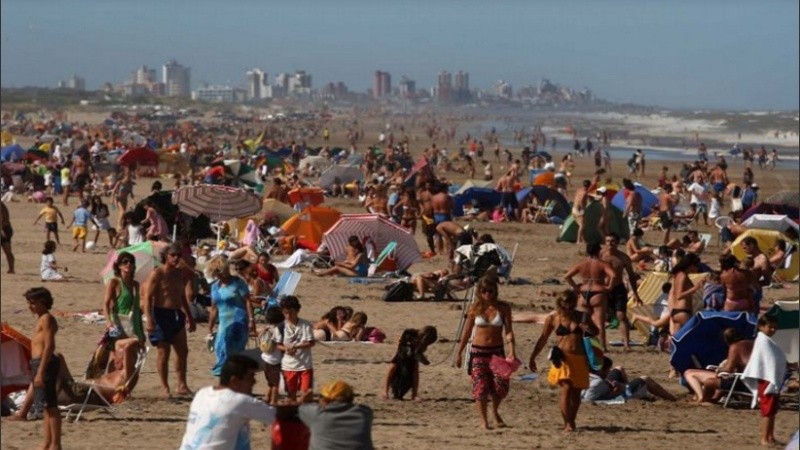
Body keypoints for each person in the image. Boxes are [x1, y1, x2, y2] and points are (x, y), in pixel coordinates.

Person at [528, 290, 599, 432]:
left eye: (571, 307)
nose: (568, 310)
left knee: (576, 393)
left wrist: (587, 328)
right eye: (564, 307)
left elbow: (596, 332)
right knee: (566, 389)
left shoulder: (582, 316)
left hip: (579, 357)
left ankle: (572, 420)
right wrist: (533, 357)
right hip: (562, 358)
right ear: (559, 305)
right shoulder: (553, 318)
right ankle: (567, 423)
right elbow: (543, 338)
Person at [455, 276, 516, 430]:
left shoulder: (503, 308)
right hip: (478, 352)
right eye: (484, 291)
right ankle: (484, 421)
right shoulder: (475, 309)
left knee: (501, 386)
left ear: (495, 291)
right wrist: (459, 352)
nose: (487, 294)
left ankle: (494, 411)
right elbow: (467, 332)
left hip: (497, 351)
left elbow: (508, 331)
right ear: (479, 292)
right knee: (480, 387)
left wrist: (512, 351)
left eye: (490, 291)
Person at [179, 354, 276, 450]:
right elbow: (276, 416)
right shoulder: (239, 401)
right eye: (250, 377)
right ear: (234, 381)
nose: (254, 382)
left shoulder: (202, 393)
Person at [143, 243, 197, 398]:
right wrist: (149, 319)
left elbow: (182, 296)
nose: (176, 258)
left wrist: (190, 316)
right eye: (173, 255)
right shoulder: (158, 273)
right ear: (166, 256)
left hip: (176, 314)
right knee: (163, 352)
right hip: (161, 314)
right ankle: (164, 386)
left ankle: (182, 385)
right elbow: (148, 297)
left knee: (182, 351)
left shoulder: (179, 273)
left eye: (178, 255)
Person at [26, 287, 62, 449]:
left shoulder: (47, 318)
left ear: (43, 302)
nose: (30, 306)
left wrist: (40, 371)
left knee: (51, 407)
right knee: (46, 407)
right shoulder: (41, 318)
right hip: (38, 362)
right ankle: (47, 443)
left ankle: (56, 444)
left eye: (33, 303)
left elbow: (49, 346)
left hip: (44, 363)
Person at [742, 314, 785, 446]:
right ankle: (764, 438)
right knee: (767, 410)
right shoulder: (762, 341)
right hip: (766, 379)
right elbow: (768, 361)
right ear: (761, 327)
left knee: (772, 410)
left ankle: (770, 436)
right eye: (770, 327)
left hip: (771, 379)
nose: (773, 330)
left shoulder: (768, 341)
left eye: (775, 327)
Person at [564, 242, 616, 350]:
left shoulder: (582, 263)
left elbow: (567, 276)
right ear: (599, 251)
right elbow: (613, 275)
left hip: (584, 293)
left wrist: (576, 288)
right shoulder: (602, 264)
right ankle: (603, 347)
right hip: (598, 292)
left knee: (584, 322)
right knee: (600, 323)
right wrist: (609, 287)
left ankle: (584, 345)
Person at [208, 258, 254, 377]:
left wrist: (251, 320)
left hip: (238, 321)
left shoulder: (238, 283)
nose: (216, 275)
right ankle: (227, 373)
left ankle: (232, 374)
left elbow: (248, 301)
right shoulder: (215, 287)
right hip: (223, 322)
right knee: (220, 347)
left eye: (217, 271)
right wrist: (210, 326)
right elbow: (214, 308)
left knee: (232, 348)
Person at [683, 327, 753, 403]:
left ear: (726, 340)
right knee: (692, 373)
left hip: (742, 381)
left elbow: (728, 369)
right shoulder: (751, 343)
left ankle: (703, 400)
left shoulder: (735, 346)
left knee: (708, 382)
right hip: (752, 379)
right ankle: (706, 399)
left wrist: (719, 369)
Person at [298, 380, 374, 450]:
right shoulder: (364, 413)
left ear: (323, 399)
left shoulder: (316, 414)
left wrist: (305, 399)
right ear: (351, 398)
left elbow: (301, 406)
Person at [601, 233, 642, 350]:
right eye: (607, 241)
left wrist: (635, 293)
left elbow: (631, 276)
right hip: (603, 289)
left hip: (618, 288)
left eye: (612, 241)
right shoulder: (601, 255)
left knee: (621, 316)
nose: (610, 244)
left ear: (618, 243)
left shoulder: (623, 258)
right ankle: (602, 345)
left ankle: (626, 345)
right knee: (601, 317)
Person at [274, 295, 315, 404]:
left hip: (305, 365)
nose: (288, 316)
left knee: (306, 393)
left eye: (291, 312)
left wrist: (296, 346)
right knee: (290, 395)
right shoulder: (281, 327)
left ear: (297, 311)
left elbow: (311, 342)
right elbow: (277, 344)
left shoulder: (305, 325)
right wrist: (286, 349)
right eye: (285, 313)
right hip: (288, 365)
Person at [583, 357, 676, 402]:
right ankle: (671, 399)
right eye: (607, 370)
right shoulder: (597, 383)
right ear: (601, 371)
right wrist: (616, 392)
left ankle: (632, 392)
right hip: (613, 394)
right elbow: (589, 400)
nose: (609, 371)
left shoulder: (588, 375)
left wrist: (608, 381)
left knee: (619, 368)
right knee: (645, 379)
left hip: (606, 387)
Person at [383, 327, 437, 401]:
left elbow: (419, 354)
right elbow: (401, 344)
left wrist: (423, 358)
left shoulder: (423, 344)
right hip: (401, 355)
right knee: (393, 366)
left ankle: (414, 395)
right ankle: (385, 391)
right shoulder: (409, 333)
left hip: (412, 359)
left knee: (415, 369)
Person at [668, 253, 704, 336]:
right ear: (690, 265)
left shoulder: (679, 275)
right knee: (693, 335)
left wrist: (696, 286)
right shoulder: (682, 275)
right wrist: (695, 288)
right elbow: (679, 295)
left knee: (677, 339)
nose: (697, 267)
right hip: (682, 311)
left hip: (677, 312)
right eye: (696, 265)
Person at [259, 307, 284, 405]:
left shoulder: (266, 329)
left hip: (265, 359)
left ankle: (266, 397)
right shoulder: (279, 330)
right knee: (276, 384)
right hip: (275, 361)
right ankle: (274, 401)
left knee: (270, 381)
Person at [572, 180, 591, 244]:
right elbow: (581, 201)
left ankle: (583, 240)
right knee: (582, 225)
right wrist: (583, 209)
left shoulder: (579, 190)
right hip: (579, 210)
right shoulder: (585, 192)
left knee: (581, 225)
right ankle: (578, 240)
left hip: (574, 208)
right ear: (589, 186)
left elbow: (576, 198)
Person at [0, 201, 15, 273]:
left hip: (3, 229)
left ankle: (11, 269)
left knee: (7, 250)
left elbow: (1, 217)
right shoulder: (2, 205)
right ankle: (11, 269)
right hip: (7, 228)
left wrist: (1, 230)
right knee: (8, 251)